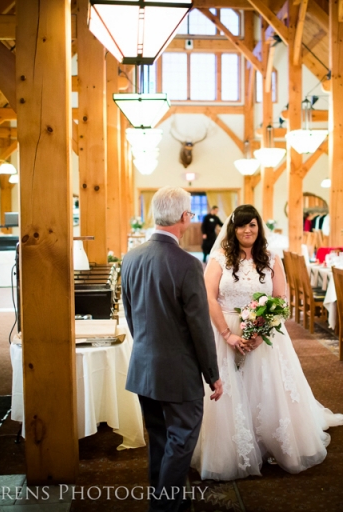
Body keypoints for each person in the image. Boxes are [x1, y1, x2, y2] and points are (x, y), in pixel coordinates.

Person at [191, 204, 343, 480]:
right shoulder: (219, 258)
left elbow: (281, 300)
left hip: (266, 333)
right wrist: (228, 334)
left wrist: (261, 334)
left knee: (267, 388)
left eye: (252, 225)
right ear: (233, 228)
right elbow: (209, 297)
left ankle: (269, 442)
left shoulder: (272, 258)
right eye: (241, 225)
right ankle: (232, 449)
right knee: (230, 389)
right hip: (225, 330)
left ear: (259, 228)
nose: (247, 230)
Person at [122, 187, 223, 512]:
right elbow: (199, 327)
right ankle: (165, 508)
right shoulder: (187, 264)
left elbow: (130, 314)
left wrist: (148, 350)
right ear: (184, 217)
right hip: (177, 373)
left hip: (143, 368)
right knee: (181, 440)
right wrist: (212, 375)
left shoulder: (131, 257)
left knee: (160, 439)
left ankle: (168, 500)